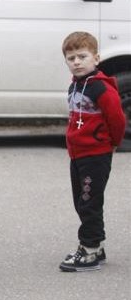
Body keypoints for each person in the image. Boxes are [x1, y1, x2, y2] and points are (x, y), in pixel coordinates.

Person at [58, 31, 125, 272]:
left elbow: (117, 118)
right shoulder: (75, 86)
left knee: (89, 202)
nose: (76, 62)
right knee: (81, 201)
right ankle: (96, 246)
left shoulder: (101, 89)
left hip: (96, 155)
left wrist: (113, 143)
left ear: (96, 58)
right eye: (71, 57)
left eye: (82, 56)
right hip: (77, 155)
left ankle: (89, 249)